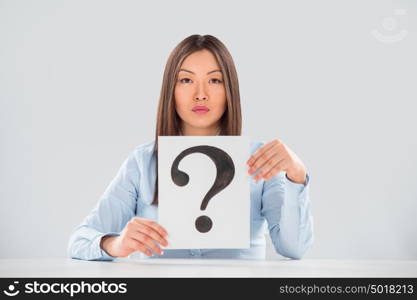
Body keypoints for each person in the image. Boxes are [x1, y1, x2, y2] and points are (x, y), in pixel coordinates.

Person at [67, 34, 313, 261]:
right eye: (186, 80)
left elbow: (293, 248)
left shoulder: (259, 160)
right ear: (170, 91)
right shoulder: (143, 162)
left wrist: (297, 175)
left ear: (230, 91)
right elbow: (79, 240)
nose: (201, 94)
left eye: (215, 80)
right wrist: (115, 244)